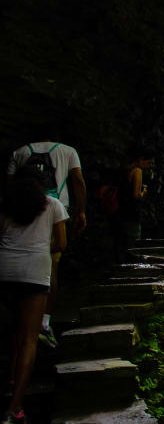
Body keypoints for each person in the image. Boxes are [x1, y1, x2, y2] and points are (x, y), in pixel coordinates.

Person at [0, 166, 67, 424]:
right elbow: (60, 244)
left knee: (12, 331)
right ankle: (14, 408)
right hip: (34, 272)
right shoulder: (52, 205)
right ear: (43, 184)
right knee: (29, 339)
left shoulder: (6, 204)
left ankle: (10, 378)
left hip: (5, 270)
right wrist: (37, 247)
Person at [7, 131, 86, 348]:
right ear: (57, 137)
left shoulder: (20, 151)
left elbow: (9, 183)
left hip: (18, 211)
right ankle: (43, 323)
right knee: (50, 267)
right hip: (52, 213)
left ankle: (15, 323)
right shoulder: (68, 151)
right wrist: (81, 212)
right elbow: (77, 180)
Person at [111, 147, 154, 263]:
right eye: (148, 162)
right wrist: (143, 192)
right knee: (133, 238)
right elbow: (135, 195)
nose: (148, 166)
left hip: (119, 209)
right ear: (140, 159)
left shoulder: (123, 170)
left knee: (120, 239)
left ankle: (119, 262)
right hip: (131, 211)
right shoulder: (137, 171)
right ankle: (130, 262)